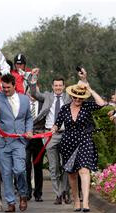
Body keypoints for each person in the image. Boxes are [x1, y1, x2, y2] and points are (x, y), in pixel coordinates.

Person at [51, 70, 106, 212]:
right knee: (72, 174)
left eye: (80, 98)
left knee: (84, 170)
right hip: (68, 143)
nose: (77, 100)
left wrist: (89, 89)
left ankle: (86, 202)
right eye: (75, 97)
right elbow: (57, 123)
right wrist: (54, 128)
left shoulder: (87, 106)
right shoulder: (64, 108)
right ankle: (76, 200)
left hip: (84, 140)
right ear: (71, 96)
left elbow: (102, 103)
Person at [0, 73, 33, 212]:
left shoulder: (24, 100)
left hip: (19, 141)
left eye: (7, 88)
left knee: (20, 170)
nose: (5, 90)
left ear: (14, 86)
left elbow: (28, 118)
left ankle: (23, 195)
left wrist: (29, 130)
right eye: (3, 87)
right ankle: (11, 203)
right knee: (6, 174)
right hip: (3, 142)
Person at [29, 70, 72, 205]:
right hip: (50, 135)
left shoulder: (69, 97)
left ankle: (65, 191)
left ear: (63, 87)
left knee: (66, 166)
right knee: (54, 168)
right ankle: (58, 194)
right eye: (56, 85)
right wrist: (34, 77)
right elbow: (34, 93)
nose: (58, 88)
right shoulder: (47, 96)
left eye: (60, 85)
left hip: (66, 134)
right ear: (52, 86)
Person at [25, 95, 44, 202]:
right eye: (30, 93)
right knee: (26, 165)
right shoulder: (24, 105)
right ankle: (27, 192)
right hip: (26, 139)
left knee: (38, 167)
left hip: (39, 139)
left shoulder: (43, 104)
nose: (32, 95)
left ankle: (38, 193)